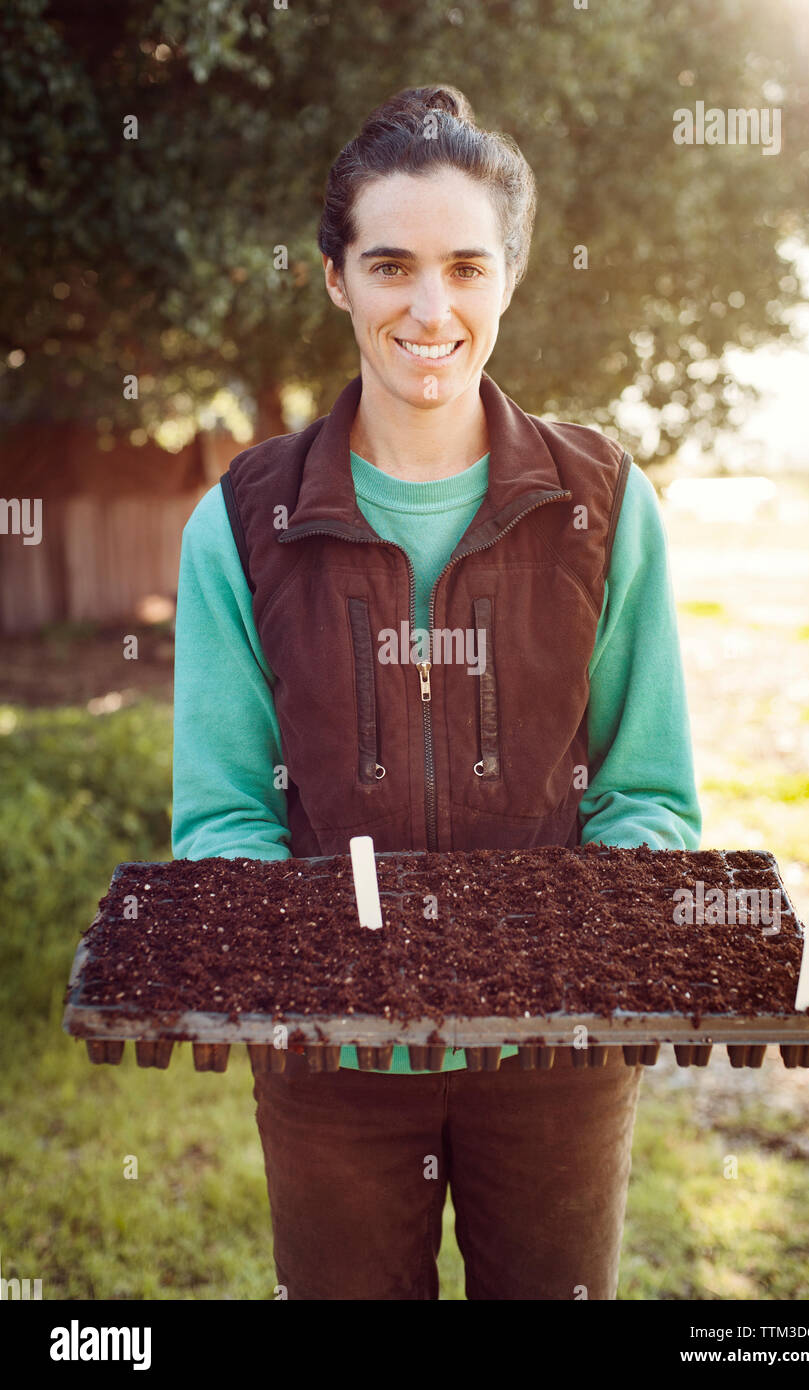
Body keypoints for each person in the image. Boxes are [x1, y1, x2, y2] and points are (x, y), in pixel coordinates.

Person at [171, 84, 701, 1301]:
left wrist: (554, 964)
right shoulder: (242, 523)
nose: (429, 306)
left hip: (559, 1061)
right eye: (390, 264)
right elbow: (225, 820)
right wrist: (338, 983)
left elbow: (647, 793)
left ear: (507, 278)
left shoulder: (603, 504)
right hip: (331, 1070)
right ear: (335, 279)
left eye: (466, 266)